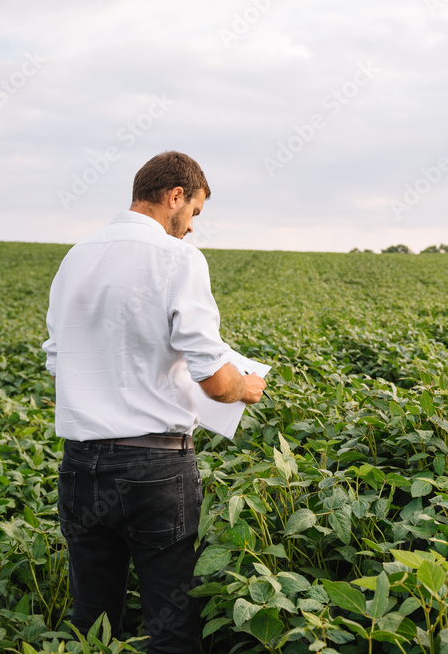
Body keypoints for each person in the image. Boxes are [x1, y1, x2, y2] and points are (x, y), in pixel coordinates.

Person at [42, 151, 264, 653]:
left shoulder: (76, 256)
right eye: (195, 214)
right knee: (172, 620)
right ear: (175, 197)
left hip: (80, 464)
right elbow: (212, 376)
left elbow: (58, 358)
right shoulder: (177, 258)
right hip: (155, 467)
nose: (191, 229)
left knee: (92, 621)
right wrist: (243, 387)